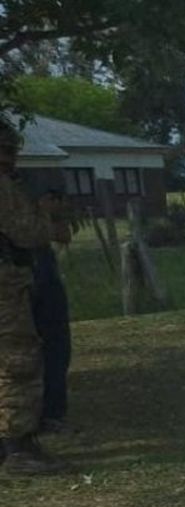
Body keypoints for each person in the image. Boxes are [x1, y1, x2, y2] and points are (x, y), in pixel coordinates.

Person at [0, 121, 66, 473]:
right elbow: (28, 234)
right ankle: (18, 445)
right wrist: (45, 212)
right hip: (5, 287)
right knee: (17, 361)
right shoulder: (4, 188)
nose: (12, 160)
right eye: (8, 151)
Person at [32, 189, 73, 434]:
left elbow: (63, 234)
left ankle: (51, 413)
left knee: (56, 348)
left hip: (42, 279)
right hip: (17, 283)